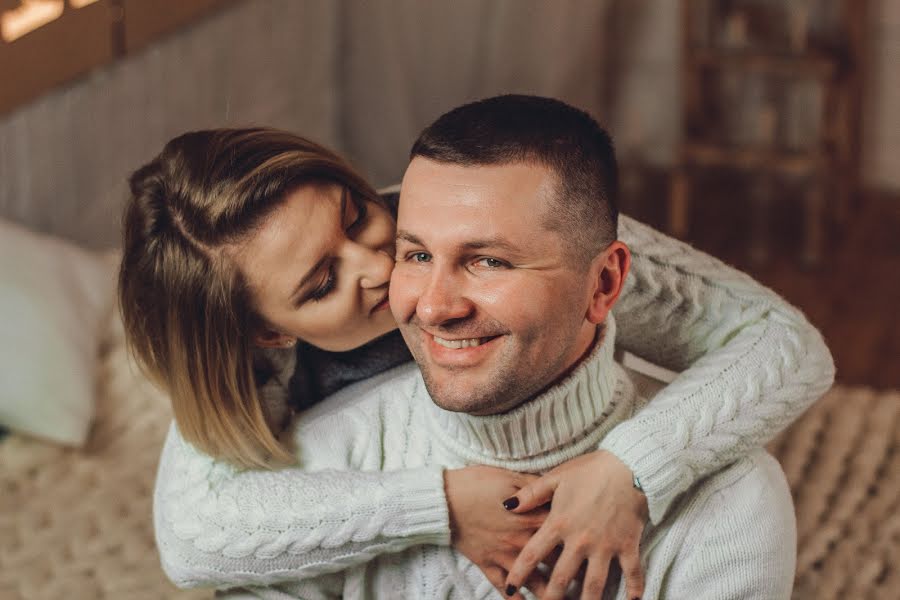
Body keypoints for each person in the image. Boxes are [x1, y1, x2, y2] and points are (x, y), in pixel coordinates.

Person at [118, 104, 833, 598]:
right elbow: (192, 536)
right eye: (320, 284)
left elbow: (782, 342)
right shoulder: (268, 384)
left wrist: (629, 469)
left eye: (356, 216)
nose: (385, 269)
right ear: (269, 332)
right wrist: (442, 503)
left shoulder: (460, 211)